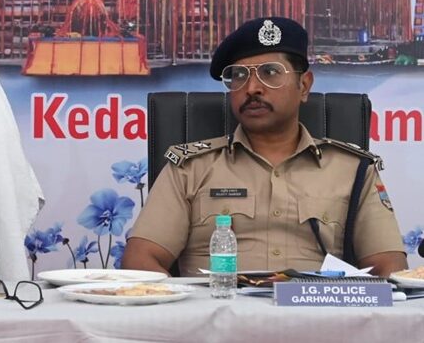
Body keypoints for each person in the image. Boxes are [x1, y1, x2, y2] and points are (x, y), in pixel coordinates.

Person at [123, 17, 407, 277]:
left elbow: (389, 267)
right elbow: (140, 260)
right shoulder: (191, 168)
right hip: (218, 311)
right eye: (239, 75)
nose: (252, 88)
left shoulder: (353, 170)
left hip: (318, 312)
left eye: (270, 72)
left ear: (304, 85)